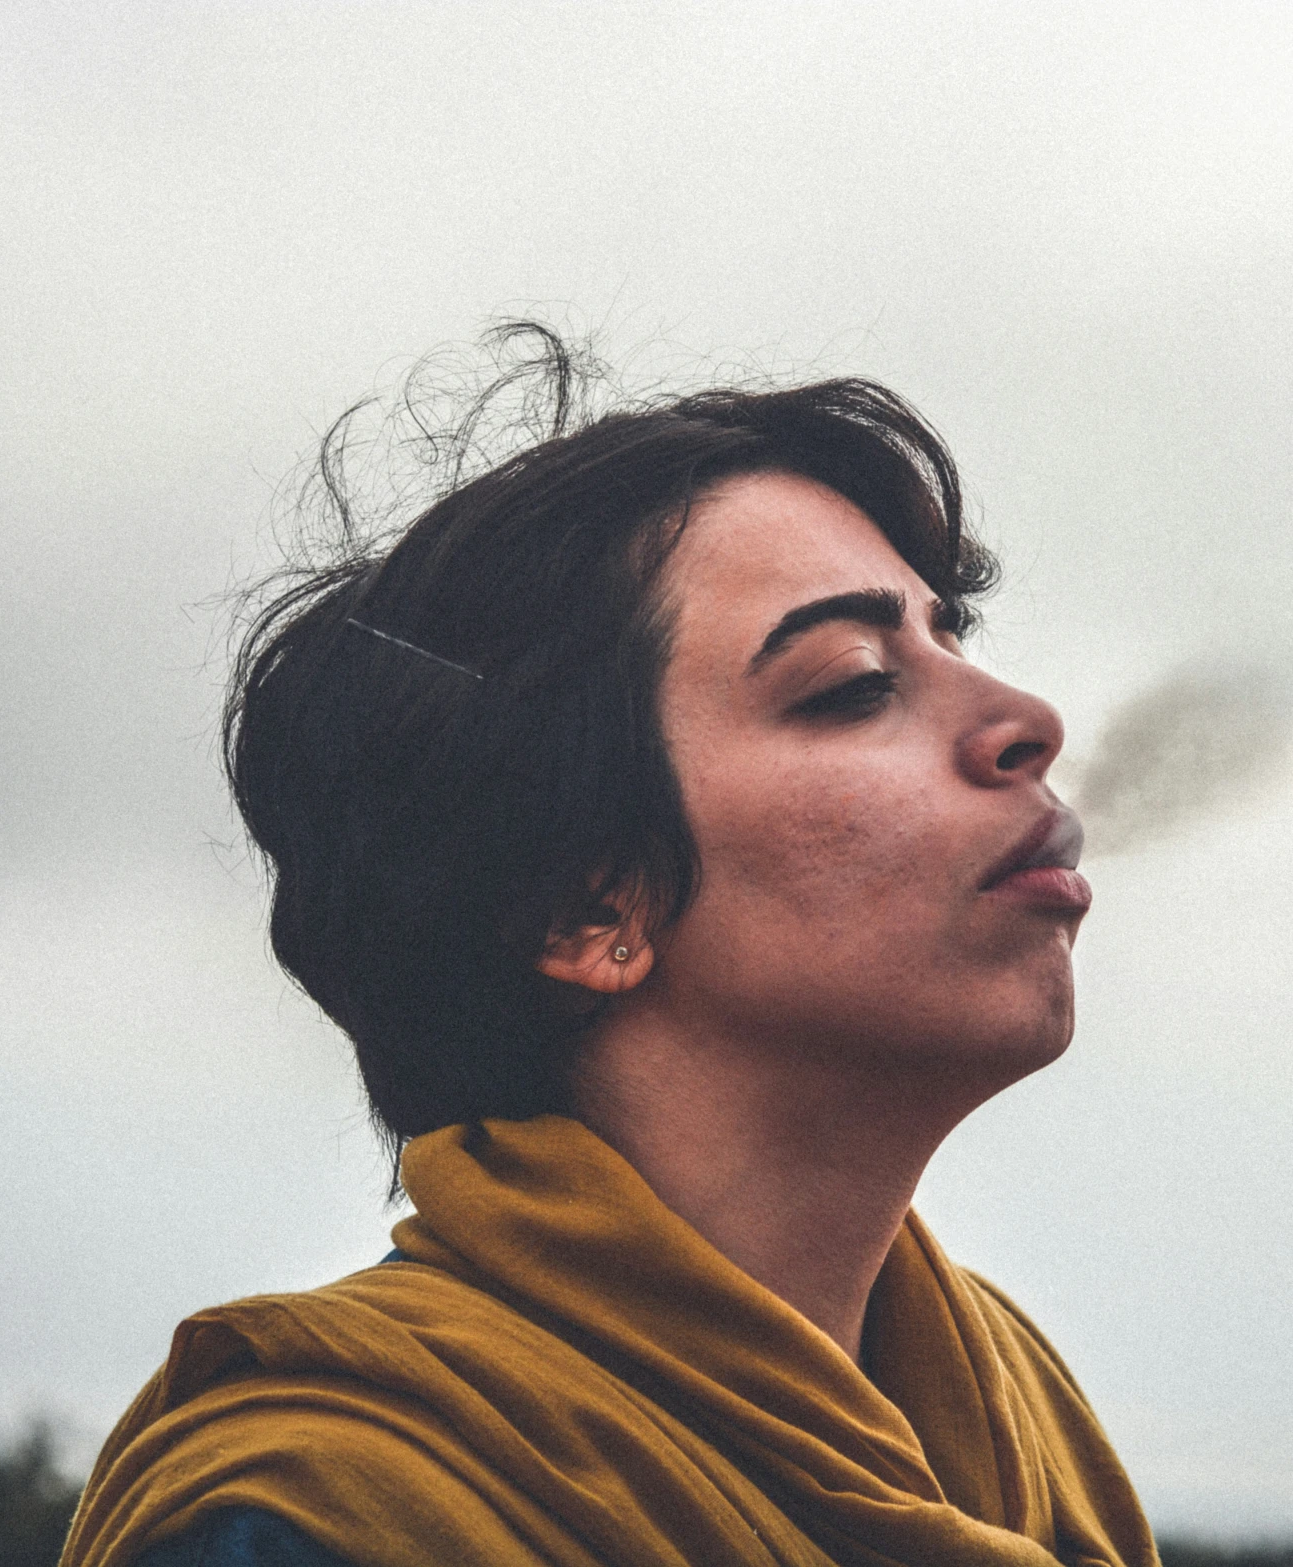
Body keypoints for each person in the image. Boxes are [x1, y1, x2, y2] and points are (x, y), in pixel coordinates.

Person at [60, 328, 1157, 1567]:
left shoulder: (1020, 1442)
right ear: (587, 913)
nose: (1028, 722)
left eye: (951, 638)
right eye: (852, 681)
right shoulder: (331, 1515)